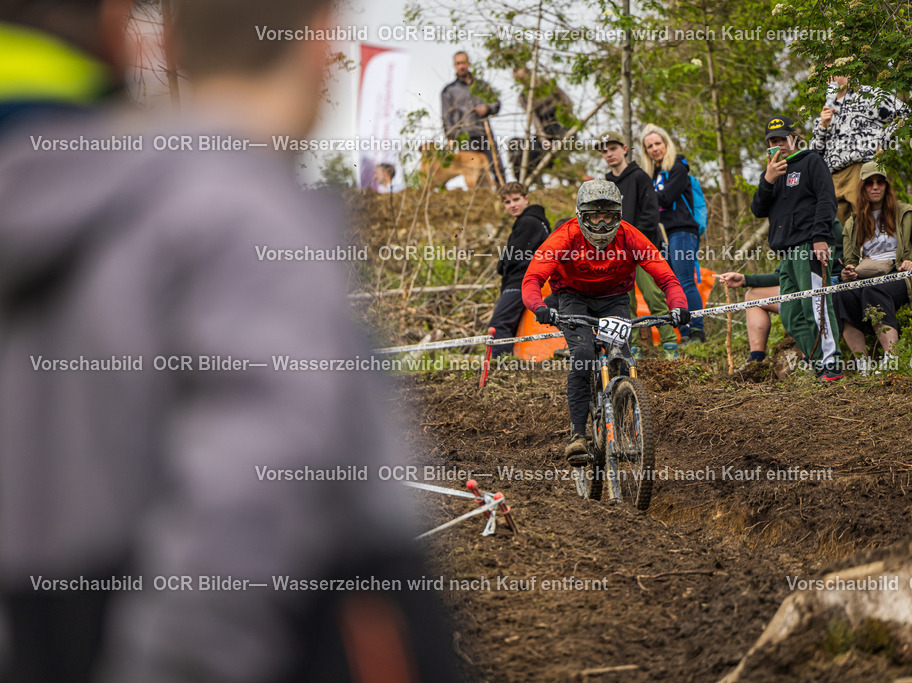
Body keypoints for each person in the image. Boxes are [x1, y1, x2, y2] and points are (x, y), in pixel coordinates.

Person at [0, 1, 458, 681]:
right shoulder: (243, 208)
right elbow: (257, 476)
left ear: (165, 45)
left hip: (59, 618)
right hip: (303, 629)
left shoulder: (77, 209)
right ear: (321, 45)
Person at [521, 180, 689, 461]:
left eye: (608, 217)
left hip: (614, 299)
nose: (601, 225)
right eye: (594, 217)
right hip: (573, 298)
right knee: (583, 355)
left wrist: (679, 306)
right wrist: (539, 306)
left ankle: (620, 421)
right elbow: (532, 279)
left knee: (620, 355)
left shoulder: (631, 236)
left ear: (618, 216)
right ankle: (578, 434)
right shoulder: (565, 237)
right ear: (581, 216)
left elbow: (667, 279)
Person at [750, 114, 844, 381]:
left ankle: (832, 363)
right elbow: (757, 209)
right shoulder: (771, 173)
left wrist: (820, 237)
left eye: (782, 139)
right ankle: (819, 362)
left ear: (793, 139)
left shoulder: (811, 161)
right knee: (791, 314)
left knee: (815, 306)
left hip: (809, 246)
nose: (778, 144)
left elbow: (827, 200)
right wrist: (768, 180)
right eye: (772, 141)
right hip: (785, 253)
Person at [837, 161, 912, 373]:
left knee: (873, 290)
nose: (875, 187)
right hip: (866, 276)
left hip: (900, 274)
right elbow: (850, 260)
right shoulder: (853, 222)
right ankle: (863, 364)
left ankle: (892, 359)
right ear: (862, 187)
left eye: (880, 182)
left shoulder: (906, 214)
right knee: (842, 295)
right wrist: (848, 271)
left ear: (887, 185)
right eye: (869, 183)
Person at [719, 219, 846, 367]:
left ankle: (815, 359)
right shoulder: (792, 228)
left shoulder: (826, 223)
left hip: (830, 286)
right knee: (753, 295)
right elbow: (781, 275)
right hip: (798, 289)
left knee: (805, 300)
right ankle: (756, 361)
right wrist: (745, 279)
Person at [598, 130, 679, 355]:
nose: (609, 154)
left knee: (654, 296)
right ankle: (631, 349)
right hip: (617, 255)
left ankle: (670, 345)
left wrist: (632, 242)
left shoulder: (640, 177)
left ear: (624, 149)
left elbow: (651, 216)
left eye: (613, 148)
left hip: (643, 249)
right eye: (604, 151)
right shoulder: (605, 184)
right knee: (624, 302)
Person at [638, 123, 705, 343]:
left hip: (682, 230)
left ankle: (697, 330)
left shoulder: (678, 167)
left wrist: (644, 193)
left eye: (658, 143)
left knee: (685, 280)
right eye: (649, 146)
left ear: (666, 143)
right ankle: (684, 333)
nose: (655, 149)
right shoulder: (651, 174)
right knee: (671, 283)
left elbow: (666, 198)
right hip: (662, 234)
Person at [811, 74, 904, 225]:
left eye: (835, 71)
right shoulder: (827, 107)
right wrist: (822, 126)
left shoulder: (869, 95)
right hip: (831, 178)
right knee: (836, 231)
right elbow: (815, 153)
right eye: (826, 72)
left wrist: (883, 143)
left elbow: (905, 114)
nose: (831, 77)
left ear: (848, 70)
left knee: (865, 226)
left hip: (860, 170)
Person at [488, 182, 551, 355]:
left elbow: (511, 257)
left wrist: (502, 264)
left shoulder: (528, 222)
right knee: (513, 326)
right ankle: (510, 362)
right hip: (530, 281)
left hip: (520, 282)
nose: (512, 205)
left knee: (499, 324)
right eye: (507, 202)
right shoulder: (537, 222)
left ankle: (501, 365)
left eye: (516, 199)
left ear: (526, 199)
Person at [441, 51, 505, 186]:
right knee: (473, 173)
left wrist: (487, 108)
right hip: (464, 137)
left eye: (463, 63)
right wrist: (451, 137)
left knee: (496, 166)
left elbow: (496, 103)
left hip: (484, 133)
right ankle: (480, 197)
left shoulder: (481, 86)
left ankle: (504, 193)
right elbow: (446, 117)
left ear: (469, 63)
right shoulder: (449, 90)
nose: (461, 66)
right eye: (458, 63)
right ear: (454, 65)